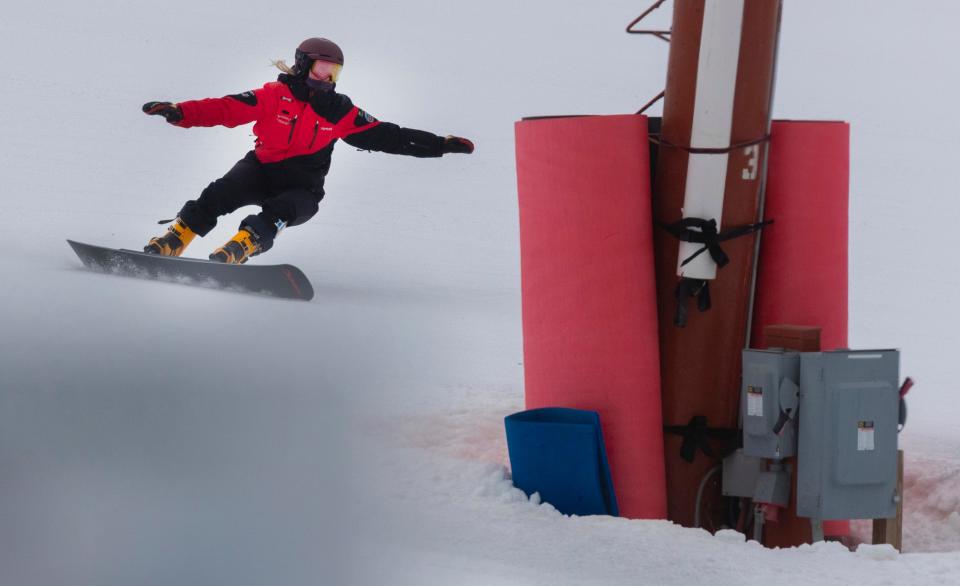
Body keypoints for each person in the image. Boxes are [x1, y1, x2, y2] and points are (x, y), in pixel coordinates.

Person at [142, 37, 475, 264]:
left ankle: (243, 244)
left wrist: (439, 145)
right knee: (219, 193)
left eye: (334, 72)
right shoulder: (273, 95)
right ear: (303, 65)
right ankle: (176, 238)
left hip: (303, 186)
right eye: (322, 68)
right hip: (261, 168)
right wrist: (180, 111)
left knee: (285, 209)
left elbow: (389, 136)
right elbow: (225, 108)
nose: (328, 77)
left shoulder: (339, 110)